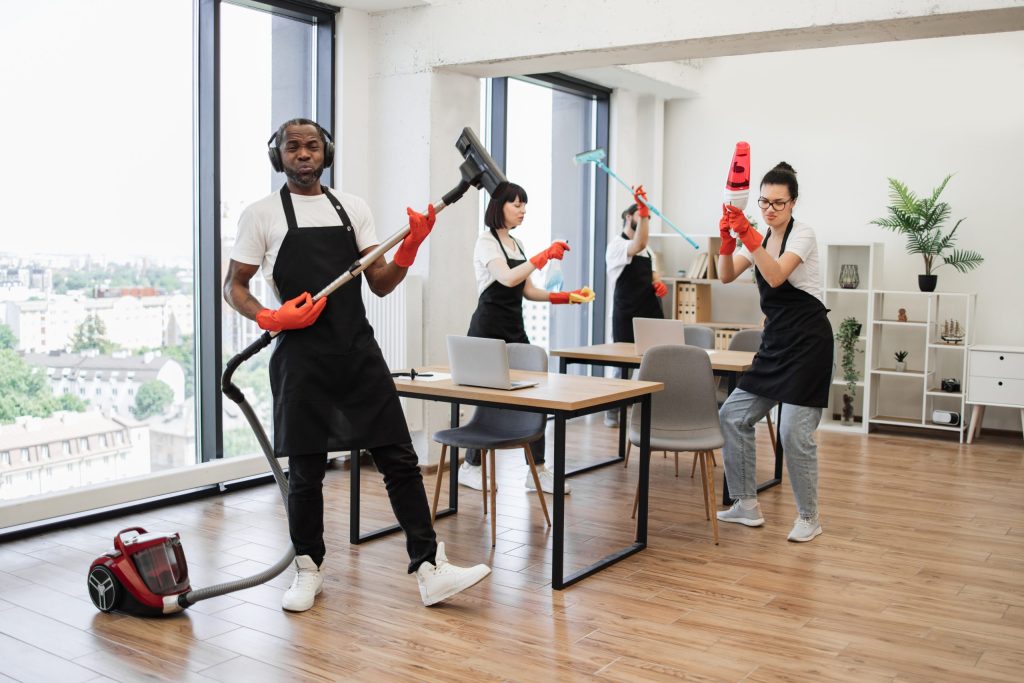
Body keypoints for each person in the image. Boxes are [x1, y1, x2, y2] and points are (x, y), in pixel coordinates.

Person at [224, 118, 490, 611]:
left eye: (311, 146)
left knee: (399, 459)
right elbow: (232, 286)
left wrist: (409, 247)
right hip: (300, 358)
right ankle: (307, 568)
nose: (302, 154)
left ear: (325, 152)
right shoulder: (260, 214)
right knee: (305, 472)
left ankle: (430, 567)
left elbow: (382, 282)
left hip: (357, 351)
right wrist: (269, 314)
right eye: (291, 147)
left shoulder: (352, 209)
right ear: (277, 156)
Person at [714, 161, 832, 543]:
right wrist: (727, 241)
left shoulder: (804, 235)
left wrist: (746, 233)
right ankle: (746, 504)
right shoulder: (760, 238)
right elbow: (726, 275)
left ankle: (809, 517)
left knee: (793, 433)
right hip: (776, 344)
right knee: (732, 416)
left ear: (793, 204)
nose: (769, 209)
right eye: (764, 201)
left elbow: (778, 274)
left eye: (778, 203)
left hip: (809, 345)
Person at [459, 181, 594, 494]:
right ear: (499, 206)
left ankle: (538, 471)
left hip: (514, 328)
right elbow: (506, 278)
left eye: (524, 206)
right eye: (516, 204)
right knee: (486, 398)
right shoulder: (486, 242)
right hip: (487, 329)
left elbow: (528, 290)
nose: (522, 211)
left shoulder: (516, 245)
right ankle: (470, 466)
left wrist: (566, 297)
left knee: (535, 397)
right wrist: (544, 255)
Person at [603, 186, 668, 427]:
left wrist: (659, 284)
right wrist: (643, 209)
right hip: (626, 313)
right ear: (629, 217)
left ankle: (645, 409)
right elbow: (639, 243)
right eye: (642, 218)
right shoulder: (617, 246)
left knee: (651, 362)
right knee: (622, 365)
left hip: (650, 312)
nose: (644, 223)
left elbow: (654, 273)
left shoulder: (648, 249)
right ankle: (613, 410)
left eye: (647, 219)